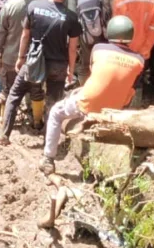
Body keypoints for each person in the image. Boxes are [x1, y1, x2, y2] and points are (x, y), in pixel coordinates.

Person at [39, 15, 145, 174]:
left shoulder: (99, 49)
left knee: (55, 112)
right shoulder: (139, 60)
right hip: (115, 109)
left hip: (88, 104)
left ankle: (48, 158)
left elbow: (94, 73)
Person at [0, 0, 81, 142]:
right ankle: (48, 140)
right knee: (53, 102)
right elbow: (72, 49)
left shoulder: (34, 7)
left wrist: (21, 58)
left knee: (14, 95)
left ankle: (4, 135)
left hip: (34, 61)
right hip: (58, 66)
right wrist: (71, 71)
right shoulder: (72, 18)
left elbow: (25, 35)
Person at [0, 0, 41, 121]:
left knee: (8, 90)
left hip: (11, 57)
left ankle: (5, 121)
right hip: (36, 58)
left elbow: (0, 33)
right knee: (36, 91)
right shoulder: (41, 5)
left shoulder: (9, 6)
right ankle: (38, 122)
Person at [68, 0, 117, 82]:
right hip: (107, 32)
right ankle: (105, 93)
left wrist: (76, 41)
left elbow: (72, 17)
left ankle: (87, 94)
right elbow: (115, 6)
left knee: (85, 66)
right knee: (106, 65)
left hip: (86, 35)